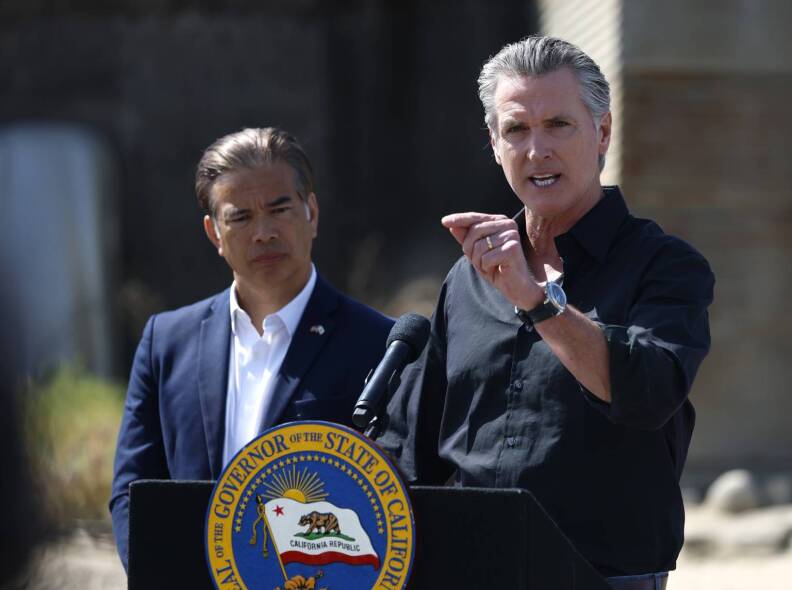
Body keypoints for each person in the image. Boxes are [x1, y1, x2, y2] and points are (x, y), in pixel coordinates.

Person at [379, 36, 714, 589]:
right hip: (465, 571)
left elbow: (647, 392)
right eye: (516, 129)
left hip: (602, 578)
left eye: (558, 124)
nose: (537, 150)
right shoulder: (467, 277)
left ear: (602, 133)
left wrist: (536, 300)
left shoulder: (665, 265)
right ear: (493, 144)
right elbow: (414, 449)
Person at [110, 127, 393, 571]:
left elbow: (397, 501)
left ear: (312, 213)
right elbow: (132, 490)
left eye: (279, 209)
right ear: (214, 233)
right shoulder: (166, 342)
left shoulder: (380, 345)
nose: (263, 233)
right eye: (239, 217)